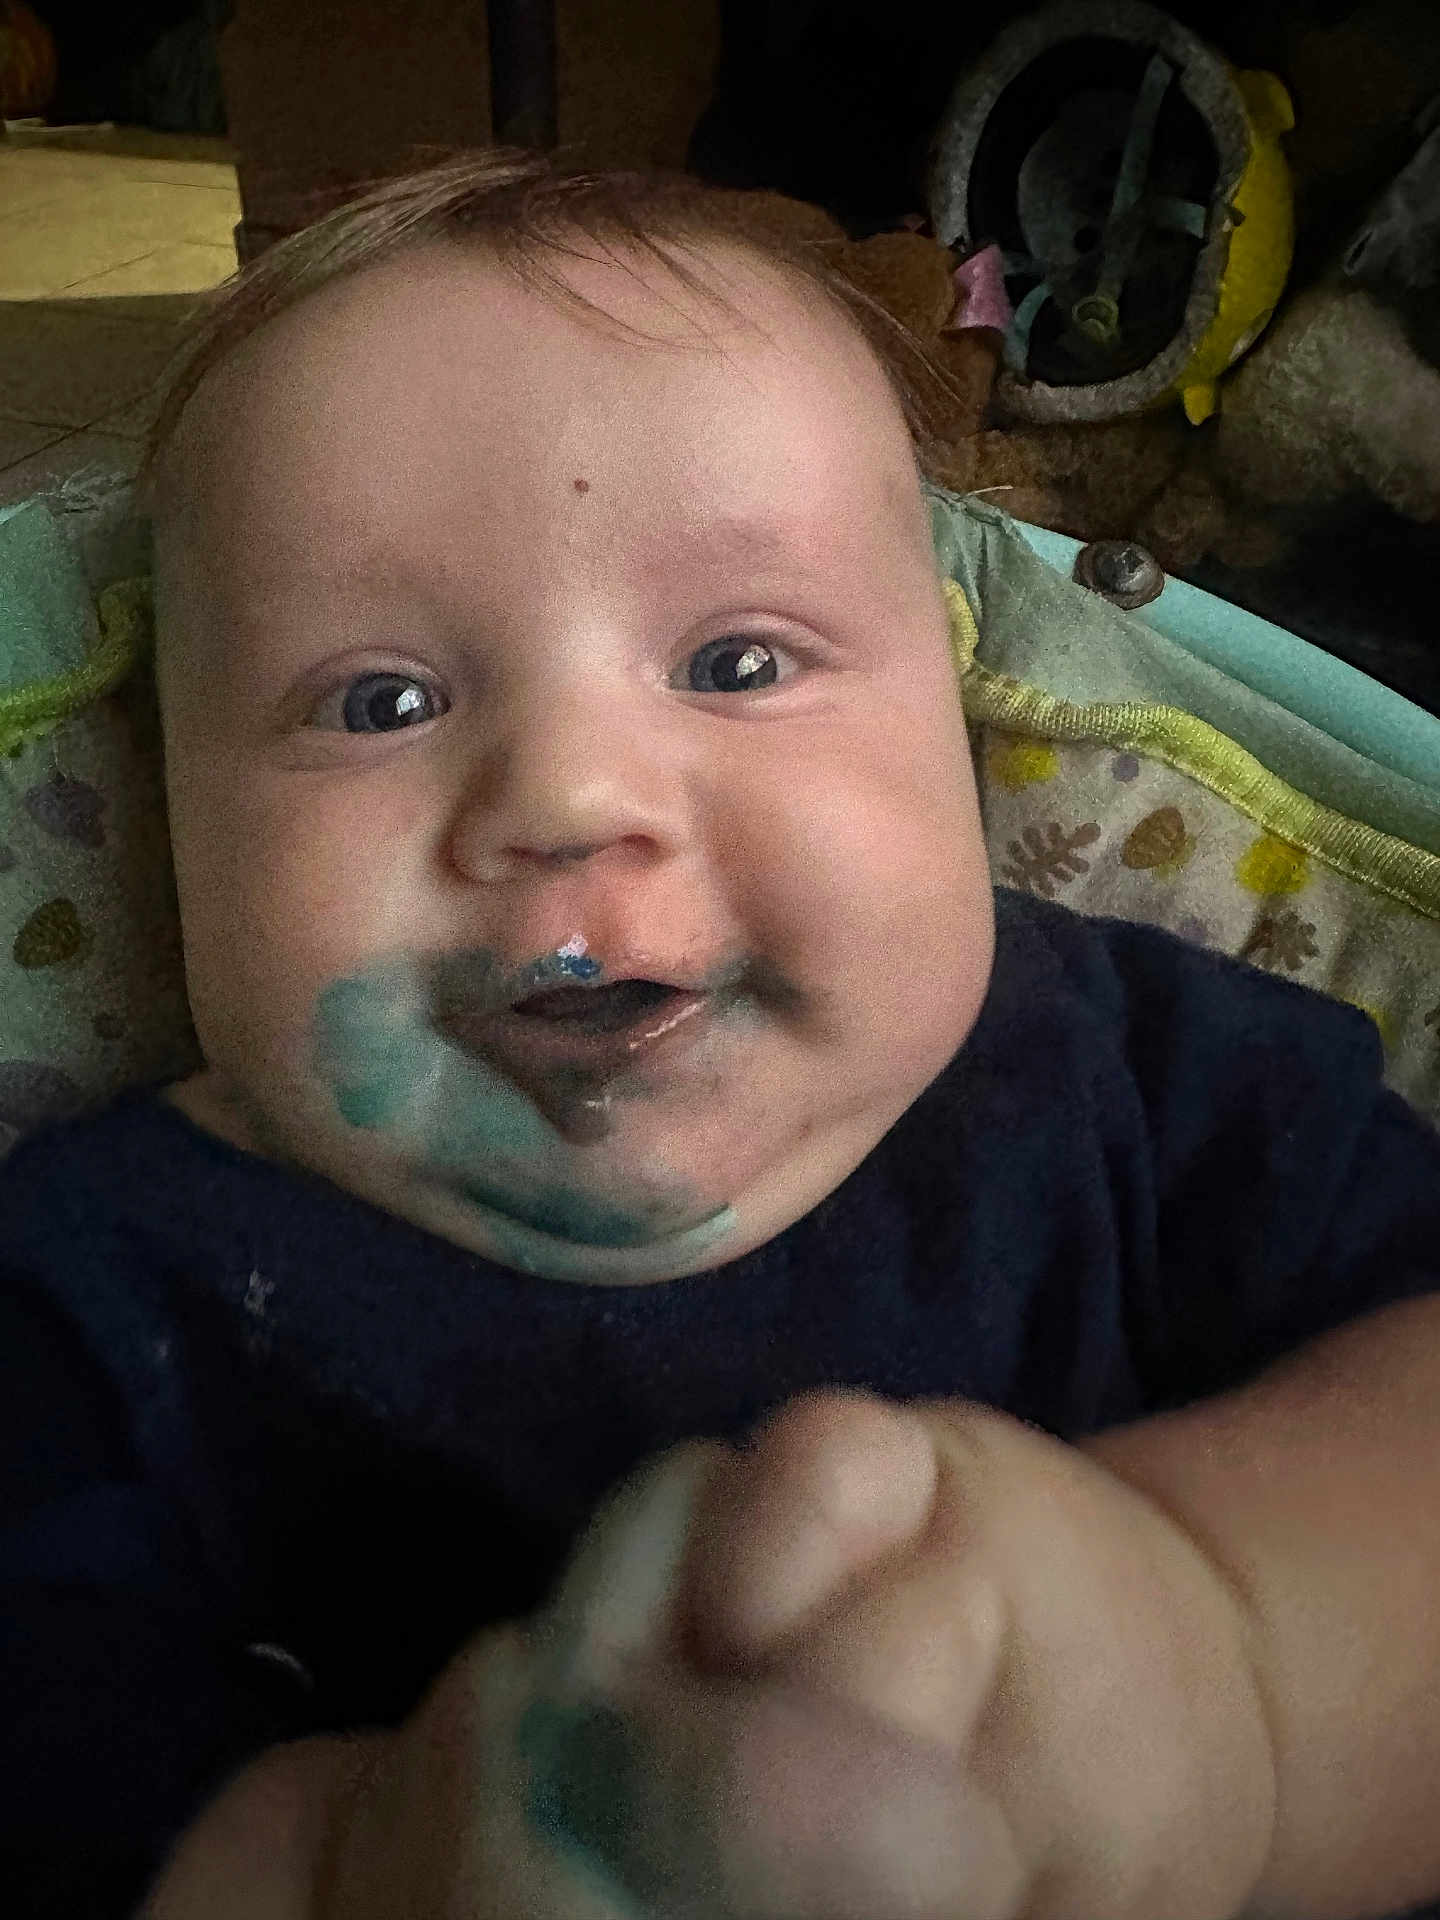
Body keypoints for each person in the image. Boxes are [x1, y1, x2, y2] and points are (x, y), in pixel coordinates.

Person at [4, 149, 1440, 1920]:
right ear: (165, 815)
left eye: (740, 663)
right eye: (379, 702)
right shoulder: (86, 1295)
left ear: (965, 710)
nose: (571, 795)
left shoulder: (1155, 1083)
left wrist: (1226, 1657)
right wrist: (355, 1861)